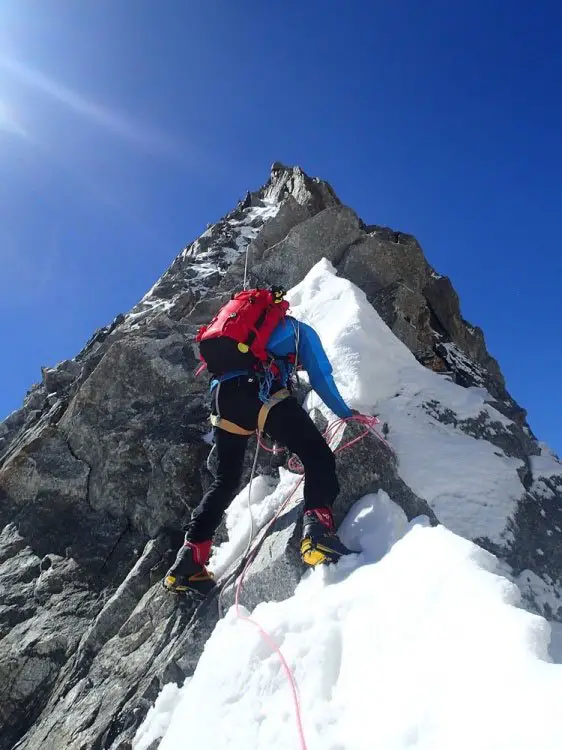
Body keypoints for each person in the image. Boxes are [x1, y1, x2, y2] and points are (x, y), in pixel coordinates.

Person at [164, 312, 354, 596]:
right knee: (317, 455)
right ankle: (317, 535)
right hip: (258, 391)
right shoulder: (300, 331)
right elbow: (321, 376)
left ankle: (190, 560)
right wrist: (347, 415)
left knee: (225, 480)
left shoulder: (244, 337)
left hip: (222, 400)